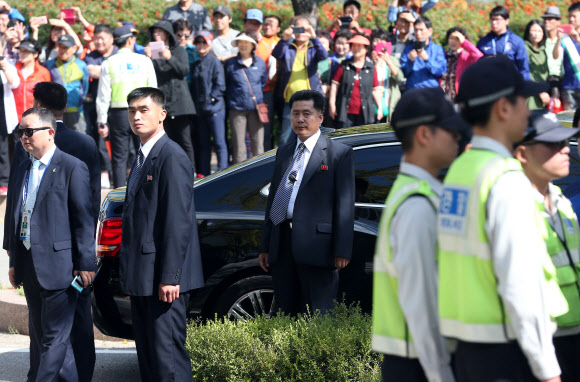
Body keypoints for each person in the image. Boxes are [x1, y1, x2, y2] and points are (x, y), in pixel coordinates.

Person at [438, 54, 563, 382]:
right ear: (502, 109)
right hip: (507, 354)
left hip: (466, 352)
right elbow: (521, 286)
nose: (529, 109)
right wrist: (548, 371)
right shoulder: (506, 180)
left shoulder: (459, 171)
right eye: (523, 100)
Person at [7, 82, 100, 382]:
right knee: (40, 333)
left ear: (50, 132)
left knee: (56, 338)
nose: (23, 137)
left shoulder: (72, 166)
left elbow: (83, 217)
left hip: (62, 266)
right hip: (29, 263)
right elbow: (15, 213)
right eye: (20, 132)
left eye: (28, 131)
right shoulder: (23, 166)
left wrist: (85, 262)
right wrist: (12, 258)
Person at [373, 87, 463, 382]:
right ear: (424, 135)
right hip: (420, 366)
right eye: (450, 129)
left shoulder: (419, 194)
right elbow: (421, 306)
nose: (458, 136)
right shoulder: (417, 206)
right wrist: (442, 376)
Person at [120, 87, 204, 382]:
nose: (136, 116)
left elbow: (177, 222)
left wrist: (171, 276)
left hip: (164, 279)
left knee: (167, 357)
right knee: (149, 356)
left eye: (144, 110)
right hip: (144, 275)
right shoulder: (144, 154)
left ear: (162, 114)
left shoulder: (172, 156)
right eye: (132, 111)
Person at [259, 89, 354, 315]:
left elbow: (345, 204)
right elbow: (274, 198)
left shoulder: (338, 153)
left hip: (319, 248)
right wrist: (266, 245)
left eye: (306, 114)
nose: (300, 119)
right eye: (295, 114)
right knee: (284, 311)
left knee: (318, 315)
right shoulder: (284, 152)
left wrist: (342, 249)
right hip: (282, 244)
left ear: (320, 118)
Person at [514, 110, 580, 382]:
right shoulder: (515, 208)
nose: (565, 149)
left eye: (564, 141)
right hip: (550, 345)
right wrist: (547, 370)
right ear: (522, 154)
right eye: (553, 144)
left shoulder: (561, 200)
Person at [96, 25, 157, 188]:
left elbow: (103, 96)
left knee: (119, 157)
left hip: (119, 115)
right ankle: (145, 189)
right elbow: (153, 90)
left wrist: (102, 121)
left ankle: (120, 194)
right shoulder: (144, 60)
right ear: (130, 40)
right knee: (145, 151)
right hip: (144, 112)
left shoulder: (109, 63)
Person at [146, 20, 196, 166]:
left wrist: (169, 57)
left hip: (180, 103)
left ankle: (190, 171)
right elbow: (152, 75)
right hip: (163, 103)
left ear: (167, 33)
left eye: (159, 31)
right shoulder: (152, 52)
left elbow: (184, 70)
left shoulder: (178, 50)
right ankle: (171, 171)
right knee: (166, 141)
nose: (156, 35)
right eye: (154, 32)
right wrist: (147, 58)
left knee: (185, 140)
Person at [272, 17, 328, 146]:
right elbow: (276, 54)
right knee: (285, 139)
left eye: (305, 29)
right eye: (298, 29)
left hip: (312, 101)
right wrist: (284, 39)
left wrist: (314, 37)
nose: (301, 32)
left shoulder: (313, 48)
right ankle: (286, 165)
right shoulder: (288, 47)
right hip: (291, 101)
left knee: (312, 138)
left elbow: (323, 55)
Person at [224, 31, 267, 164]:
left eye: (246, 42)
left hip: (256, 108)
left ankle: (259, 175)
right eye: (240, 42)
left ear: (253, 45)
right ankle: (239, 176)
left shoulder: (260, 63)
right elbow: (226, 83)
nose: (243, 45)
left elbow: (263, 82)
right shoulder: (230, 63)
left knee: (258, 143)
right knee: (238, 145)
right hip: (237, 109)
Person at [85, 24, 117, 189]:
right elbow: (91, 71)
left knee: (121, 141)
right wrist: (110, 70)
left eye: (102, 38)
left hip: (118, 104)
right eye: (96, 38)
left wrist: (102, 70)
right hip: (98, 105)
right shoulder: (91, 55)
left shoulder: (119, 53)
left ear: (111, 39)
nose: (98, 41)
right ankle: (104, 172)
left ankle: (125, 172)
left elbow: (99, 72)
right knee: (101, 140)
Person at [190, 31, 227, 176]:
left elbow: (220, 86)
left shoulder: (215, 62)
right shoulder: (195, 64)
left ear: (210, 43)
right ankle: (203, 174)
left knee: (219, 142)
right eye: (198, 42)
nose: (201, 45)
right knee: (203, 144)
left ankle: (223, 171)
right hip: (200, 111)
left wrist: (210, 98)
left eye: (204, 42)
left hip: (215, 109)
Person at [329, 34, 378, 129]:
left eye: (359, 46)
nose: (356, 49)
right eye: (354, 46)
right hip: (345, 112)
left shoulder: (371, 68)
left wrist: (379, 108)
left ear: (366, 49)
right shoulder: (343, 65)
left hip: (365, 113)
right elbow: (334, 86)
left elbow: (375, 90)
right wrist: (332, 105)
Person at [45, 34, 89, 133]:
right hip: (55, 113)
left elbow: (85, 87)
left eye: (66, 47)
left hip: (75, 112)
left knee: (78, 143)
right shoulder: (49, 64)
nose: (63, 50)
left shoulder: (81, 65)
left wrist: (78, 101)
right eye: (60, 47)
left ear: (74, 48)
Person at [476, 6, 530, 80]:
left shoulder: (516, 41)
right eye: (492, 19)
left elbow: (523, 69)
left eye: (497, 19)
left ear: (506, 21)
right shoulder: (483, 42)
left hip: (510, 84)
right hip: (488, 84)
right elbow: (475, 64)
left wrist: (523, 87)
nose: (494, 22)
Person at [400, 16, 446, 90]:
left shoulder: (438, 50)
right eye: (416, 30)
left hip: (431, 92)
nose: (418, 33)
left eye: (421, 30)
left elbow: (441, 71)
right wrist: (410, 61)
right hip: (412, 92)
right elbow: (402, 74)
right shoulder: (408, 50)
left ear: (430, 31)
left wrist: (427, 59)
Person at [441, 26, 483, 101]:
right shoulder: (443, 55)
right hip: (442, 99)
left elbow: (479, 56)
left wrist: (464, 42)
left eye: (457, 39)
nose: (453, 41)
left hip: (458, 98)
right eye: (451, 38)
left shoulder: (466, 57)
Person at [13, 38, 50, 121]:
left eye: (26, 51)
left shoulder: (44, 72)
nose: (22, 54)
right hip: (15, 120)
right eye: (21, 51)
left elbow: (47, 99)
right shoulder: (13, 70)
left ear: (35, 54)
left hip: (36, 120)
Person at [370, 32, 403, 122]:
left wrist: (388, 61)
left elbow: (399, 77)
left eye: (382, 41)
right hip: (373, 100)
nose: (378, 43)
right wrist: (373, 62)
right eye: (376, 41)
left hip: (389, 99)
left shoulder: (392, 59)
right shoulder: (368, 59)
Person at [555, 3, 580, 110]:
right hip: (568, 86)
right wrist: (558, 39)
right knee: (570, 124)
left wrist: (577, 39)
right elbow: (556, 56)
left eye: (574, 16)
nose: (571, 19)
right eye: (569, 16)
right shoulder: (565, 38)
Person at [0, 47, 17, 196]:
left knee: (2, 147)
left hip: (2, 113)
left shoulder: (8, 64)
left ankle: (4, 181)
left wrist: (3, 65)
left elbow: (14, 83)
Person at [524, 20, 551, 110]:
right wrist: (539, 91)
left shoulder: (545, 49)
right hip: (530, 93)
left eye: (539, 31)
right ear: (528, 32)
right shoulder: (524, 48)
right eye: (533, 30)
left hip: (545, 94)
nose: (536, 34)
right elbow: (525, 72)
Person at [542, 6, 564, 97]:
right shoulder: (541, 40)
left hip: (561, 82)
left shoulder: (564, 40)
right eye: (545, 19)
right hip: (544, 81)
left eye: (550, 19)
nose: (547, 21)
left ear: (558, 21)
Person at [172, 19, 199, 87]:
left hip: (190, 88)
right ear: (174, 34)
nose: (183, 38)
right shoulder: (168, 51)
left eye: (186, 36)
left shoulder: (194, 50)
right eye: (179, 35)